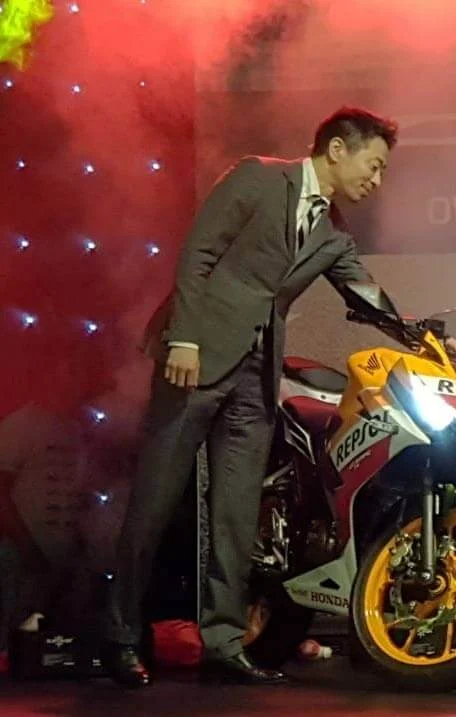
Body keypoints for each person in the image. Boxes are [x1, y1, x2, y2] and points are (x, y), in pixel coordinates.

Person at [100, 106, 398, 687]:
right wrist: (184, 338)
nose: (377, 180)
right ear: (338, 149)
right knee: (154, 504)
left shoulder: (334, 233)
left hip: (256, 378)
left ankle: (224, 642)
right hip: (197, 358)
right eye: (375, 164)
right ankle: (119, 635)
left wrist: (423, 334)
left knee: (237, 517)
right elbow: (199, 254)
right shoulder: (258, 177)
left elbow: (365, 294)